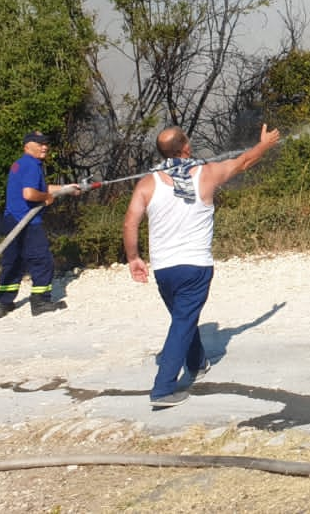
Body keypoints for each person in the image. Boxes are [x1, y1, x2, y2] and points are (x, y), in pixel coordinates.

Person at [123, 123, 280, 408]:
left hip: (164, 270)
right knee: (183, 321)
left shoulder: (147, 183)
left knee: (184, 317)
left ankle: (196, 362)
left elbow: (130, 221)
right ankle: (163, 388)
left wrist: (134, 258)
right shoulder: (206, 174)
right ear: (186, 148)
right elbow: (244, 161)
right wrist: (266, 144)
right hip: (195, 267)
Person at [0, 131, 81, 318]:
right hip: (27, 221)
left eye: (45, 143)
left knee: (14, 261)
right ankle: (40, 301)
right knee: (42, 260)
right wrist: (46, 197)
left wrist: (67, 189)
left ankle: (3, 302)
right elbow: (30, 194)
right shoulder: (32, 165)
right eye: (39, 143)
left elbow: (41, 188)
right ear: (27, 146)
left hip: (12, 219)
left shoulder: (21, 164)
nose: (44, 146)